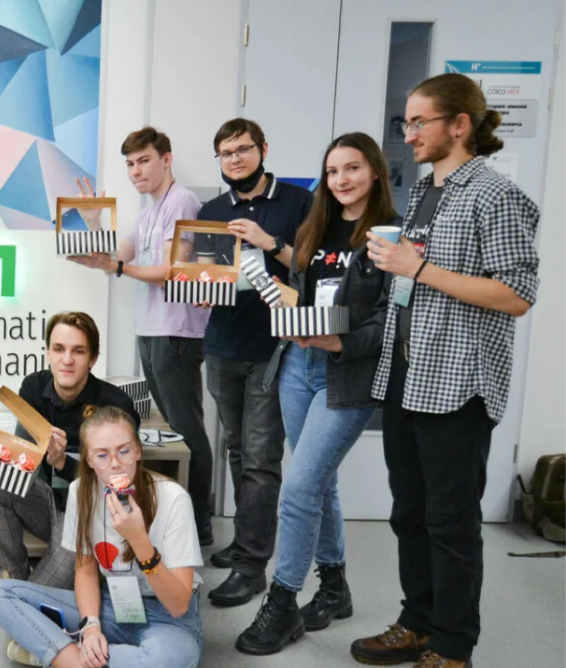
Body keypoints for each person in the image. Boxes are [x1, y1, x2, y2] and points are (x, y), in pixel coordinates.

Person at [351, 73, 540, 668]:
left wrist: (418, 269)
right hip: (407, 375)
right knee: (409, 513)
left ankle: (454, 646)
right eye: (405, 122)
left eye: (418, 122)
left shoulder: (496, 194)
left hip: (458, 384)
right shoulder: (423, 193)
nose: (407, 134)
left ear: (459, 124)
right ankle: (417, 622)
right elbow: (415, 277)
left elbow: (516, 294)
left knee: (450, 522)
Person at [235, 132, 396, 655]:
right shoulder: (315, 228)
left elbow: (389, 322)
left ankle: (282, 601)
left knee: (300, 487)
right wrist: (275, 298)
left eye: (352, 168)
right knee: (320, 484)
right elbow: (303, 296)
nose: (341, 179)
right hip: (296, 366)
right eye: (332, 171)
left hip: (345, 376)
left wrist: (341, 341)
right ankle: (334, 586)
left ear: (375, 171)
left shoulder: (390, 237)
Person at [69, 126, 215, 547]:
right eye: (130, 164)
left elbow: (169, 270)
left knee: (186, 431)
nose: (136, 170)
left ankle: (199, 526)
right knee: (170, 428)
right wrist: (94, 225)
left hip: (176, 331)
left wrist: (116, 268)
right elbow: (120, 257)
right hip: (151, 328)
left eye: (144, 161)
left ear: (166, 160)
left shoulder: (182, 201)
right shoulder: (149, 210)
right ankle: (174, 519)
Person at [195, 118, 312, 607]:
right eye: (226, 153)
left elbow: (314, 267)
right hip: (222, 346)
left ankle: (250, 566)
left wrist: (270, 243)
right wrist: (198, 288)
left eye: (243, 149)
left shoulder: (298, 202)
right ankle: (247, 541)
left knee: (262, 461)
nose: (235, 159)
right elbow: (202, 273)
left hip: (274, 349)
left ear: (263, 149)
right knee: (239, 452)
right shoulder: (211, 210)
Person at [0, 406, 203, 668]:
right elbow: (86, 571)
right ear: (89, 460)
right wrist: (90, 627)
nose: (115, 463)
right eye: (102, 455)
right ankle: (84, 657)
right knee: (1, 594)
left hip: (166, 616)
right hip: (112, 605)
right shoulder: (81, 491)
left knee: (172, 658)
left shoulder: (173, 498)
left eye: (124, 451)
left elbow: (179, 605)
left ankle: (61, 657)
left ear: (138, 451)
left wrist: (139, 541)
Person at [0, 312, 141, 620]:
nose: (67, 360)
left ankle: (19, 595)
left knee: (29, 602)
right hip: (51, 505)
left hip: (91, 518)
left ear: (93, 358)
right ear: (48, 352)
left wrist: (62, 462)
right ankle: (14, 576)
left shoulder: (116, 405)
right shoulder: (33, 387)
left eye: (78, 351)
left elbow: (119, 485)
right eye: (59, 349)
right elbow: (19, 467)